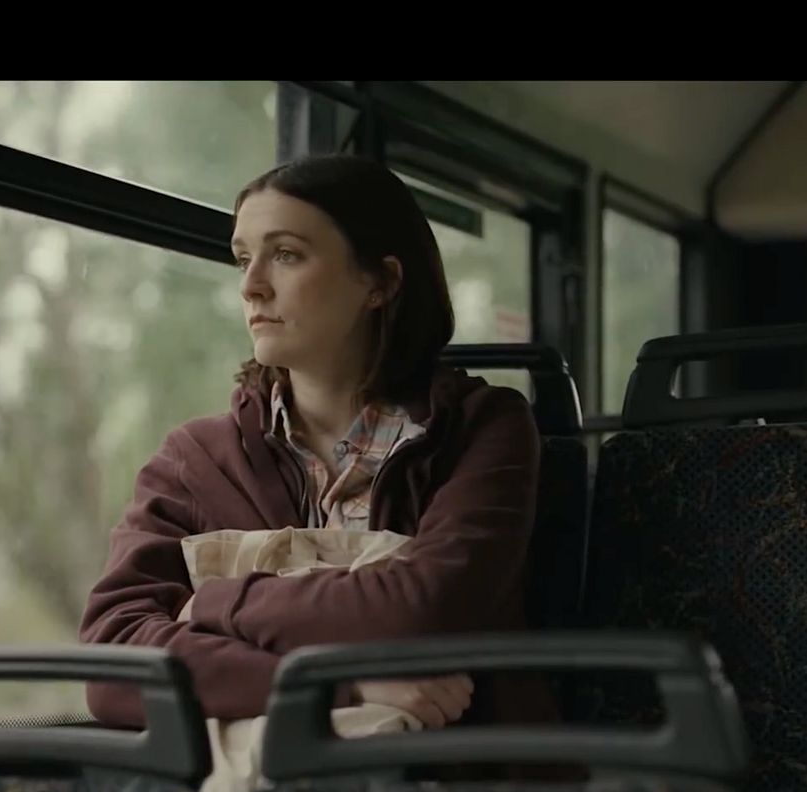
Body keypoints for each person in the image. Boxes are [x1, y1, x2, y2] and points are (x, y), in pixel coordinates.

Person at [78, 153, 554, 734]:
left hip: (457, 781)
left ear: (380, 282)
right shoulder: (194, 462)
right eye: (243, 259)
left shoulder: (486, 428)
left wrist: (213, 604)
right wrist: (337, 688)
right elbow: (114, 663)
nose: (251, 287)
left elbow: (426, 607)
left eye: (285, 255)